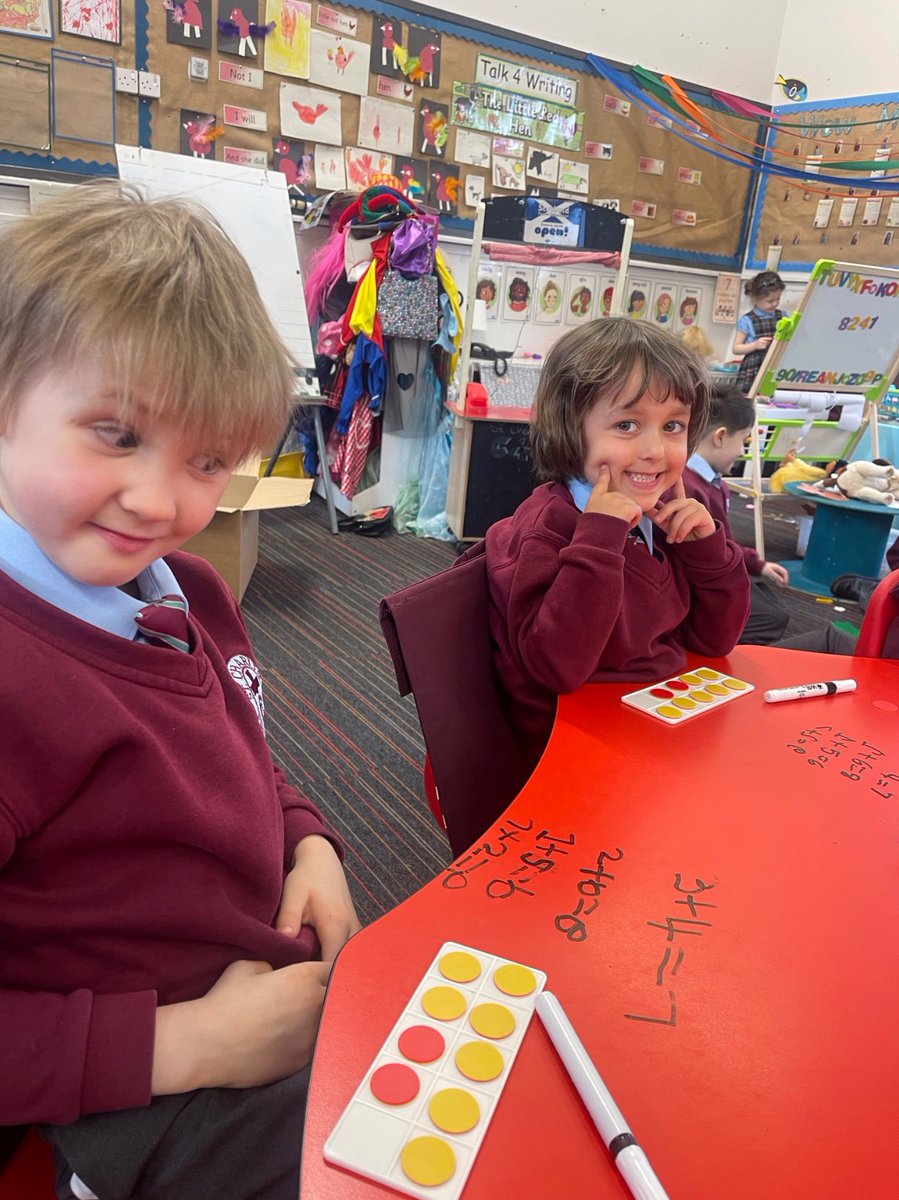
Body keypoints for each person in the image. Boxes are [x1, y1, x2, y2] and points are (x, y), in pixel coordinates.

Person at [0, 185, 360, 1200]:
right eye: (116, 435)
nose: (159, 501)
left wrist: (309, 843)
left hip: (255, 982)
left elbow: (240, 749)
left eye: (206, 461)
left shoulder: (184, 589)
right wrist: (190, 1045)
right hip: (134, 1096)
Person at [469, 318, 751, 769]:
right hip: (570, 747)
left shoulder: (662, 514)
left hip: (651, 718)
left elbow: (715, 640)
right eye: (626, 424)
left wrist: (708, 553)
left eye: (673, 426)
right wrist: (600, 540)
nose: (655, 450)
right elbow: (557, 669)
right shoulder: (545, 530)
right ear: (569, 428)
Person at [685, 385, 858, 654]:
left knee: (770, 604)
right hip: (703, 584)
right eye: (743, 441)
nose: (742, 451)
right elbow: (712, 554)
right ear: (720, 437)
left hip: (719, 571)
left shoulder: (712, 483)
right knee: (770, 616)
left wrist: (758, 564)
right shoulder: (691, 486)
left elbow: (722, 544)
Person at [733, 270, 786, 393]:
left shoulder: (782, 316)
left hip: (775, 364)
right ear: (756, 298)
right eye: (770, 301)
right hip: (754, 367)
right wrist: (755, 345)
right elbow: (736, 348)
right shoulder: (748, 320)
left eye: (778, 299)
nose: (775, 303)